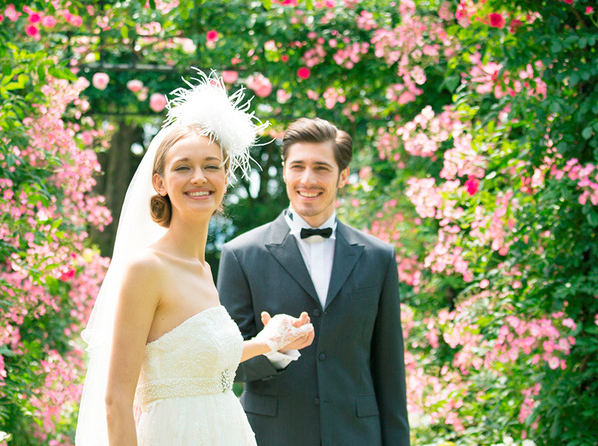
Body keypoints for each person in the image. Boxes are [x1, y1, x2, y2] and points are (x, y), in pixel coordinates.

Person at [74, 72, 314, 446]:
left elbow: (198, 365)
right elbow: (116, 400)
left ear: (225, 176)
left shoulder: (202, 269)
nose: (199, 177)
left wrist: (272, 338)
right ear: (160, 182)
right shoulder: (146, 269)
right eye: (183, 167)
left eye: (211, 165)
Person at [217, 117, 410, 446]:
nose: (308, 179)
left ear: (343, 176)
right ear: (284, 169)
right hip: (271, 437)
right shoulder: (240, 255)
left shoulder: (379, 258)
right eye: (298, 166)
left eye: (321, 167)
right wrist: (275, 350)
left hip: (358, 437)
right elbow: (225, 367)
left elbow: (390, 370)